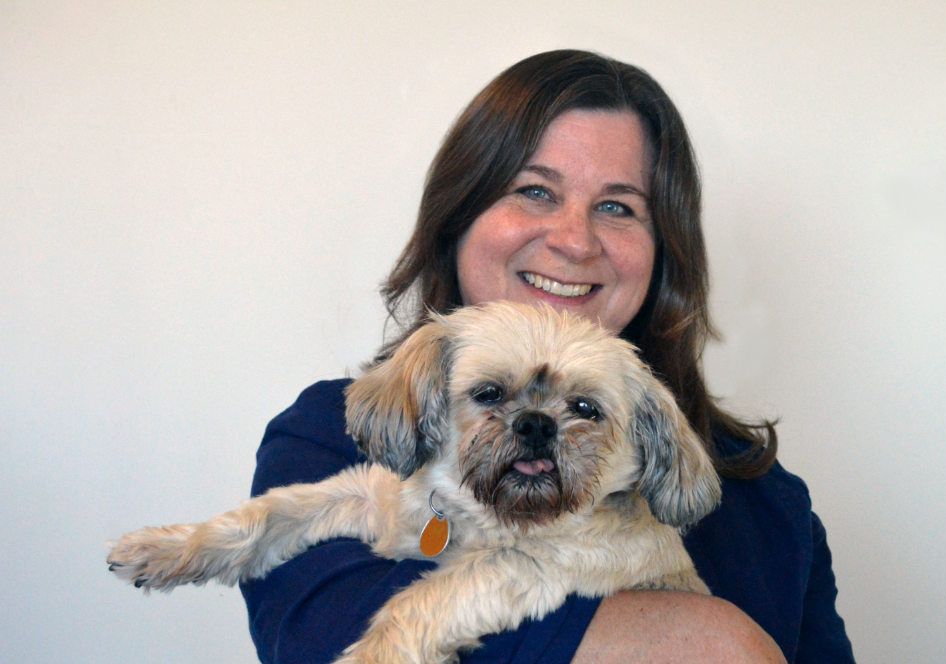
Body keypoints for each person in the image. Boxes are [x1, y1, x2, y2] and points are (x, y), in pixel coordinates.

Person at [240, 50, 855, 664]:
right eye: (534, 191)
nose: (574, 240)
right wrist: (712, 641)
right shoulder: (329, 438)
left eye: (618, 207)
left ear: (662, 253)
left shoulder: (772, 505)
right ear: (458, 217)